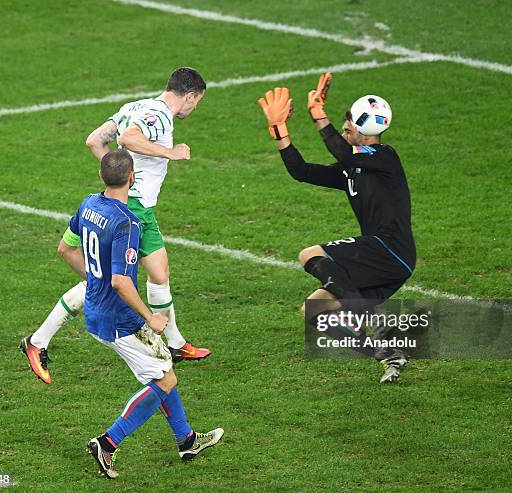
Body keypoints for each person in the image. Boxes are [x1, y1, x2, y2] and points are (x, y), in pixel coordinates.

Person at [20, 68, 211, 384]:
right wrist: (170, 153)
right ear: (189, 96)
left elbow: (96, 140)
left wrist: (116, 176)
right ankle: (37, 341)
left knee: (159, 273)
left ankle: (176, 345)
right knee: (104, 282)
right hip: (131, 210)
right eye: (197, 102)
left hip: (135, 207)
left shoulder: (136, 106)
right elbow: (127, 138)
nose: (194, 108)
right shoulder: (160, 116)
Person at [62, 149, 223, 478]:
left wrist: (93, 282)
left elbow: (65, 248)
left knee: (161, 369)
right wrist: (150, 317)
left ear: (102, 176)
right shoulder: (126, 223)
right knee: (165, 380)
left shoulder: (88, 204)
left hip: (95, 310)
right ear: (132, 178)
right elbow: (122, 282)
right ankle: (108, 442)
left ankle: (187, 439)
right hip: (120, 319)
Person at [257, 73, 416, 383]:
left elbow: (342, 152)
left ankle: (370, 316)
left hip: (391, 248)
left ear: (364, 132)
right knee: (313, 311)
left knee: (309, 254)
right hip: (387, 260)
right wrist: (279, 131)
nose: (343, 136)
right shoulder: (349, 170)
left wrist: (318, 114)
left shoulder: (386, 158)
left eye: (347, 130)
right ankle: (387, 353)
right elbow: (301, 172)